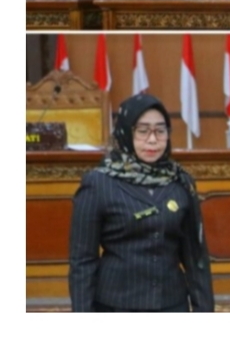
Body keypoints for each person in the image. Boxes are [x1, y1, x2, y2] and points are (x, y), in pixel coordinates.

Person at [68, 93, 214, 312]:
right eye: (143, 131)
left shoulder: (181, 182)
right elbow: (82, 262)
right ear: (126, 132)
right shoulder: (98, 183)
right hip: (117, 307)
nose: (153, 140)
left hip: (171, 305)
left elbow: (196, 258)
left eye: (160, 131)